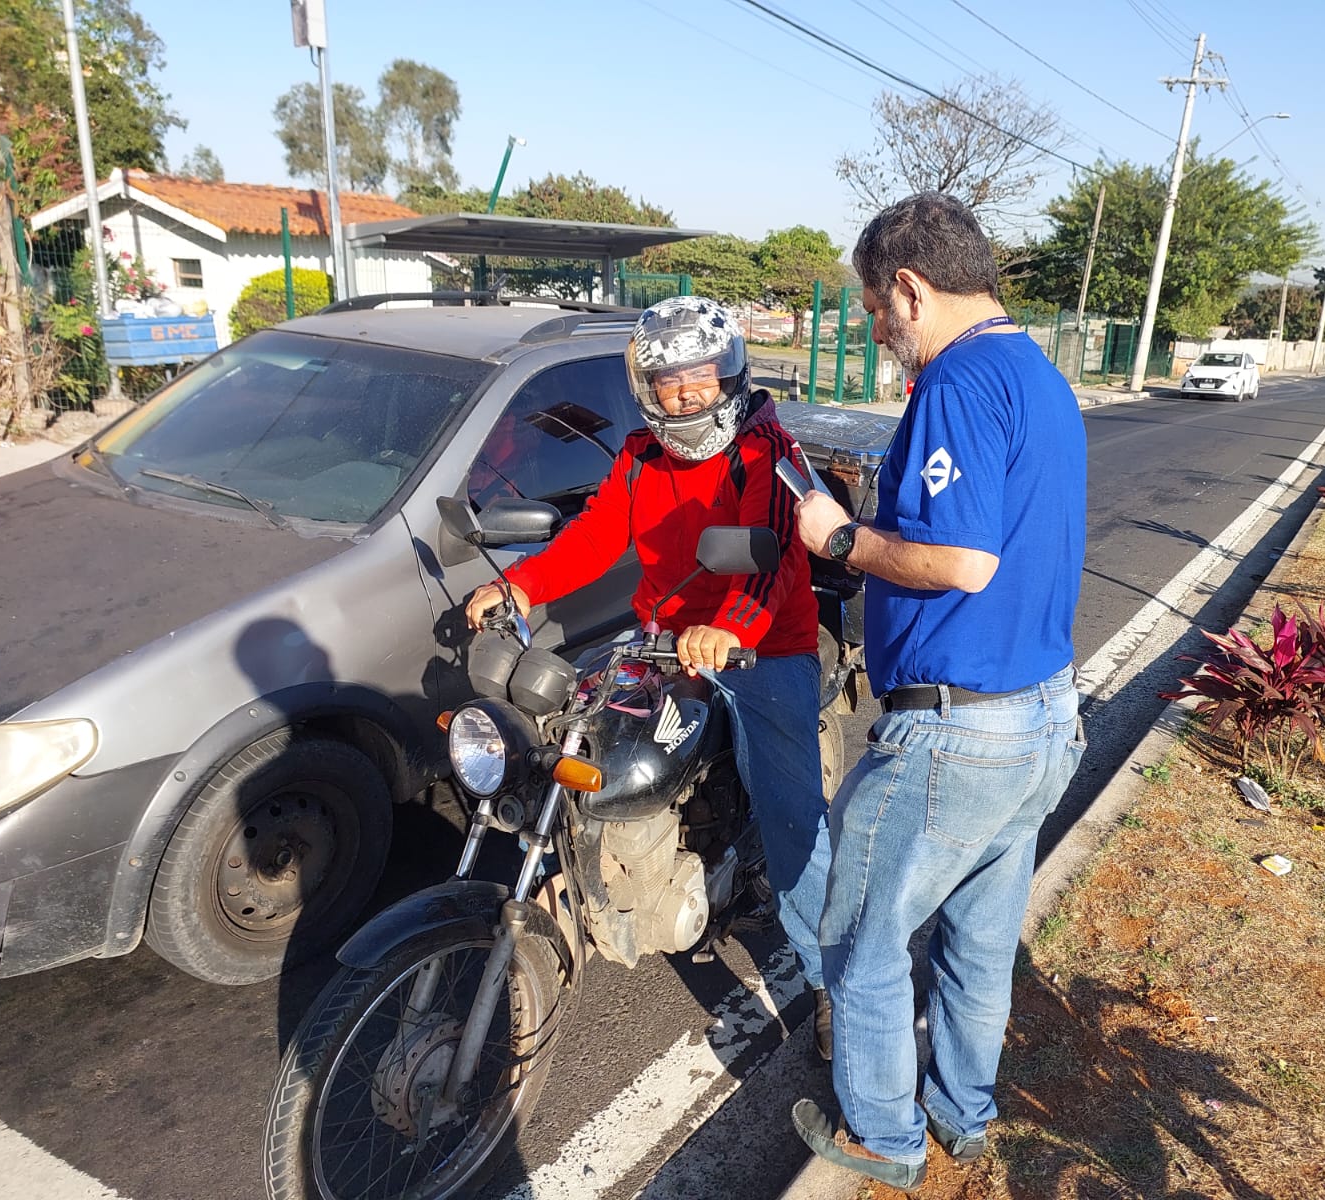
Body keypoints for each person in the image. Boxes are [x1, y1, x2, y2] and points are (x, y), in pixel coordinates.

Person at [789, 193, 1087, 1191]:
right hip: (1043, 716)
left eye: (877, 306)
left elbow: (959, 561)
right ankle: (963, 1112)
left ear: (912, 288)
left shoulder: (954, 382)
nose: (876, 327)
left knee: (861, 935)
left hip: (959, 735)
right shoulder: (1036, 374)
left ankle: (884, 1135)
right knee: (977, 941)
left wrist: (839, 537)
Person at [463, 296, 836, 1059]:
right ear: (648, 388)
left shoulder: (766, 453)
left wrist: (727, 629)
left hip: (765, 648)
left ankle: (836, 983)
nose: (687, 393)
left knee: (797, 824)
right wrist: (522, 588)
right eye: (671, 381)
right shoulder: (640, 455)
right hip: (664, 637)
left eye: (701, 375)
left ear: (727, 373)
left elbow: (768, 559)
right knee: (576, 743)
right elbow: (595, 537)